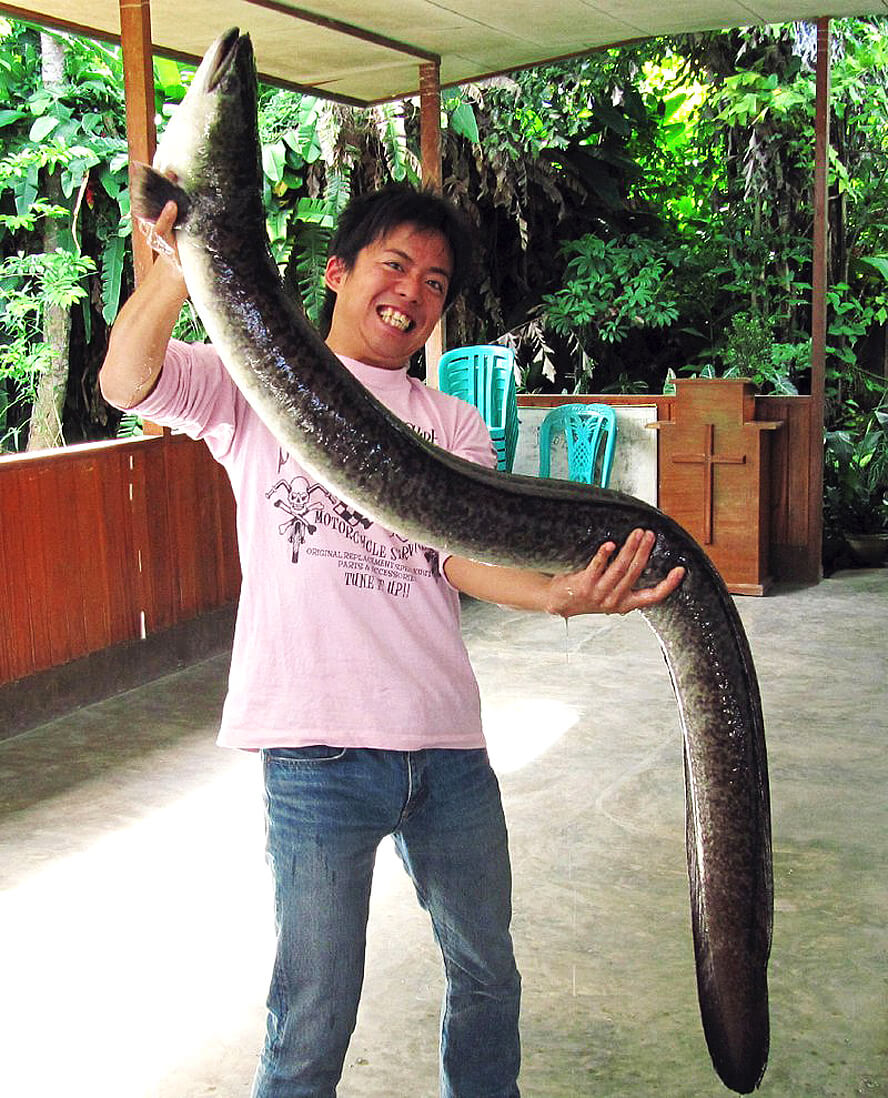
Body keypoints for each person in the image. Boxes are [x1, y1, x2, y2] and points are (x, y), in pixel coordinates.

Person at [100, 183, 684, 1098]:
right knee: (314, 1012)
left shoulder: (446, 422)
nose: (413, 293)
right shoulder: (255, 378)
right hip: (315, 751)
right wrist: (182, 267)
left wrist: (559, 597)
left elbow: (458, 560)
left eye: (436, 283)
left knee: (489, 977)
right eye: (395, 265)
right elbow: (124, 381)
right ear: (339, 272)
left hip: (446, 747)